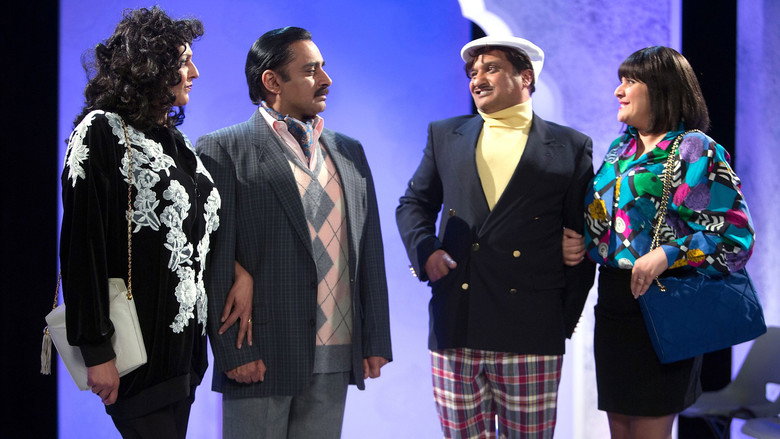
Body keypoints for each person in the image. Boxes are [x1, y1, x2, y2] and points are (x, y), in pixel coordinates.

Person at [196, 26, 392, 439]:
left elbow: (368, 246)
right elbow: (214, 258)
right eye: (311, 70)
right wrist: (233, 351)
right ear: (272, 81)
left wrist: (375, 339)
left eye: (323, 68)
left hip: (337, 349)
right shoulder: (223, 149)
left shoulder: (349, 150)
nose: (327, 80)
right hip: (262, 351)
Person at [396, 35, 596, 438]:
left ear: (525, 77)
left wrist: (559, 320)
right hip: (457, 321)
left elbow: (584, 233)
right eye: (473, 72)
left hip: (532, 327)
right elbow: (413, 203)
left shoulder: (570, 146)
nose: (477, 79)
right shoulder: (445, 134)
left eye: (491, 68)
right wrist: (426, 251)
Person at [579, 46, 755, 439]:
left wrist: (669, 253)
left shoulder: (695, 149)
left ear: (661, 89)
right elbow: (608, 222)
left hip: (667, 301)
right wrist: (580, 239)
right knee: (620, 429)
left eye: (630, 81)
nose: (618, 91)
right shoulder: (621, 149)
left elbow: (735, 236)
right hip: (614, 303)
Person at [59, 7, 220, 438]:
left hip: (183, 358)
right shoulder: (102, 131)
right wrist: (96, 352)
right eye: (184, 62)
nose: (195, 73)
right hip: (135, 358)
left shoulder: (178, 143)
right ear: (151, 67)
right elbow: (82, 247)